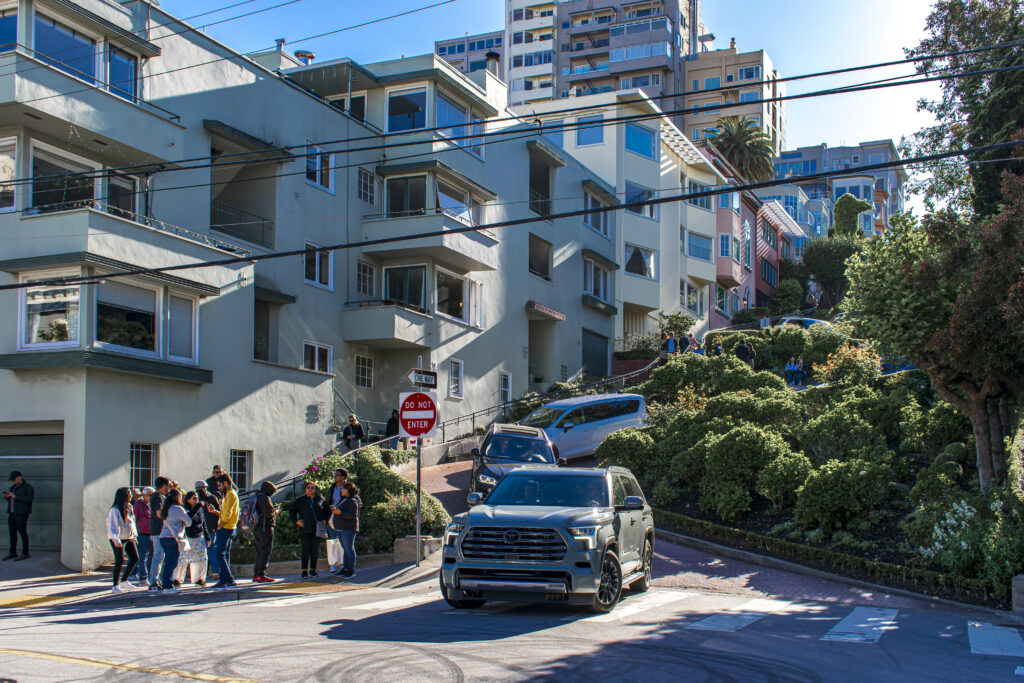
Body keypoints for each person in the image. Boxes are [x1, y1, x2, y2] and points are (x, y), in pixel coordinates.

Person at [173, 489, 210, 587]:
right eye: (194, 498)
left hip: (199, 536)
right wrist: (197, 507)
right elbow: (188, 519)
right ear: (188, 500)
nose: (196, 500)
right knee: (183, 559)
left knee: (201, 558)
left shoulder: (200, 509)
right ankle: (177, 579)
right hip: (187, 537)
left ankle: (199, 579)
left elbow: (203, 523)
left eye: (197, 498)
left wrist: (207, 536)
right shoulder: (184, 509)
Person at [157, 489, 191, 593]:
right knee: (172, 563)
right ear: (177, 497)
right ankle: (167, 586)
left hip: (163, 537)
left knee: (167, 561)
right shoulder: (178, 509)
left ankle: (166, 583)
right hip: (173, 538)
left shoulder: (165, 508)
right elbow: (189, 522)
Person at [106, 487, 138, 593]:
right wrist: (116, 539)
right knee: (119, 560)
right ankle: (115, 585)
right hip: (118, 538)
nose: (131, 496)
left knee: (135, 558)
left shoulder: (129, 507)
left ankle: (124, 580)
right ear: (124, 496)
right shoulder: (115, 510)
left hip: (129, 537)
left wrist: (134, 535)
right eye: (129, 494)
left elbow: (131, 523)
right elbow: (113, 526)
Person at [210, 474, 239, 589]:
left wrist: (220, 525)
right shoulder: (231, 494)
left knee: (219, 554)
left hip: (226, 528)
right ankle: (224, 579)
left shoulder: (230, 495)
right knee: (225, 554)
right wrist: (217, 513)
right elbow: (225, 512)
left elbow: (228, 513)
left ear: (226, 483)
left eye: (220, 485)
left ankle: (229, 580)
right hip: (230, 527)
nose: (219, 488)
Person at [291, 481, 324, 578]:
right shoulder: (300, 500)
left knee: (314, 550)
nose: (310, 489)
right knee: (305, 550)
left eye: (312, 488)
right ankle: (304, 570)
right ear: (305, 489)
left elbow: (326, 510)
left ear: (315, 490)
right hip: (305, 528)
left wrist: (324, 520)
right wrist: (296, 521)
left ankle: (313, 570)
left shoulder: (320, 499)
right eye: (308, 487)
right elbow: (292, 511)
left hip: (316, 528)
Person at [322, 469, 349, 573]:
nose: (335, 477)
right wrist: (325, 517)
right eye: (335, 475)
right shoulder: (333, 487)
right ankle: (333, 563)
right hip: (332, 517)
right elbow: (328, 502)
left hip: (341, 517)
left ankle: (343, 563)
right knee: (333, 541)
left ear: (343, 477)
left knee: (343, 541)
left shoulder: (347, 488)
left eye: (337, 475)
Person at [252, 481, 279, 583]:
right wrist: (275, 512)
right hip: (265, 527)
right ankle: (261, 574)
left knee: (259, 551)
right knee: (266, 550)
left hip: (257, 527)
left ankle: (256, 574)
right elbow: (268, 513)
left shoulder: (257, 496)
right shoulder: (264, 497)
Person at [4, 471, 34, 562]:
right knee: (12, 533)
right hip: (12, 513)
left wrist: (15, 496)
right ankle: (12, 552)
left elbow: (29, 499)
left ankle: (25, 553)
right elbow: (12, 500)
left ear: (19, 477)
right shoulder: (13, 487)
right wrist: (7, 497)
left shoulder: (28, 487)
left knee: (22, 532)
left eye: (14, 479)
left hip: (22, 513)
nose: (13, 481)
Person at [147, 477, 170, 591]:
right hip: (158, 530)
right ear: (163, 485)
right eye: (168, 485)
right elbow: (159, 514)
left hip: (161, 530)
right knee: (158, 556)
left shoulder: (161, 497)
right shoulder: (156, 497)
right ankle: (153, 581)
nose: (169, 488)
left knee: (161, 556)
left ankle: (156, 580)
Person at [195, 481, 220, 581]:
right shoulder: (210, 497)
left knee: (209, 549)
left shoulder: (209, 498)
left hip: (207, 527)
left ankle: (212, 571)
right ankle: (211, 571)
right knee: (209, 549)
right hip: (205, 527)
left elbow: (217, 511)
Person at [337, 482, 360, 578]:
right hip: (341, 528)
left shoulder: (352, 501)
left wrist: (340, 513)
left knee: (349, 549)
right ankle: (345, 568)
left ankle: (351, 570)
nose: (341, 490)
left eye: (343, 489)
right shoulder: (344, 500)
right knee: (345, 549)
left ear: (347, 490)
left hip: (348, 528)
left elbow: (353, 515)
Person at [133, 487, 153, 584]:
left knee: (153, 557)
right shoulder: (138, 504)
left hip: (153, 533)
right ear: (144, 495)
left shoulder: (154, 504)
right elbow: (135, 518)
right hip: (142, 533)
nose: (151, 497)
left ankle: (151, 576)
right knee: (142, 557)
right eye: (149, 495)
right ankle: (143, 577)